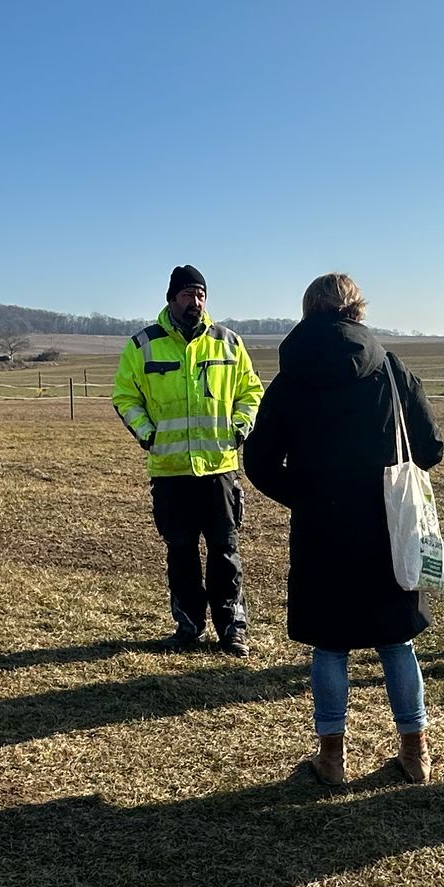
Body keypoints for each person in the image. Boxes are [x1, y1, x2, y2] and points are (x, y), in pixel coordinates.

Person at [243, 273, 444, 784]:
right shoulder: (390, 367)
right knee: (397, 640)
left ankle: (331, 759)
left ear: (309, 311)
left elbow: (260, 460)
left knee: (328, 644)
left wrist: (306, 497)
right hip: (387, 524)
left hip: (320, 531)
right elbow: (430, 448)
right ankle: (415, 752)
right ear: (357, 309)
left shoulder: (290, 377)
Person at [111, 264, 265, 655]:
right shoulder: (143, 345)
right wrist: (148, 434)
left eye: (200, 294)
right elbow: (125, 397)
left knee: (225, 551)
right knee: (181, 553)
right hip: (170, 470)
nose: (195, 301)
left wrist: (239, 428)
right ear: (171, 298)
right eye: (186, 294)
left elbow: (251, 392)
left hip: (219, 468)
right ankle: (188, 626)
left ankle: (232, 628)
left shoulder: (228, 342)